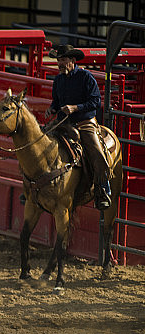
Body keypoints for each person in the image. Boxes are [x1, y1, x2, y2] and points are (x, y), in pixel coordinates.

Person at [45, 44, 111, 210]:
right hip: (64, 123)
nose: (60, 63)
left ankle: (102, 189)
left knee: (96, 150)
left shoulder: (85, 77)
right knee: (40, 141)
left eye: (63, 60)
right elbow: (56, 101)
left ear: (73, 60)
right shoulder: (58, 80)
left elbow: (95, 102)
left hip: (84, 122)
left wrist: (76, 107)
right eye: (58, 60)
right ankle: (35, 186)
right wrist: (52, 108)